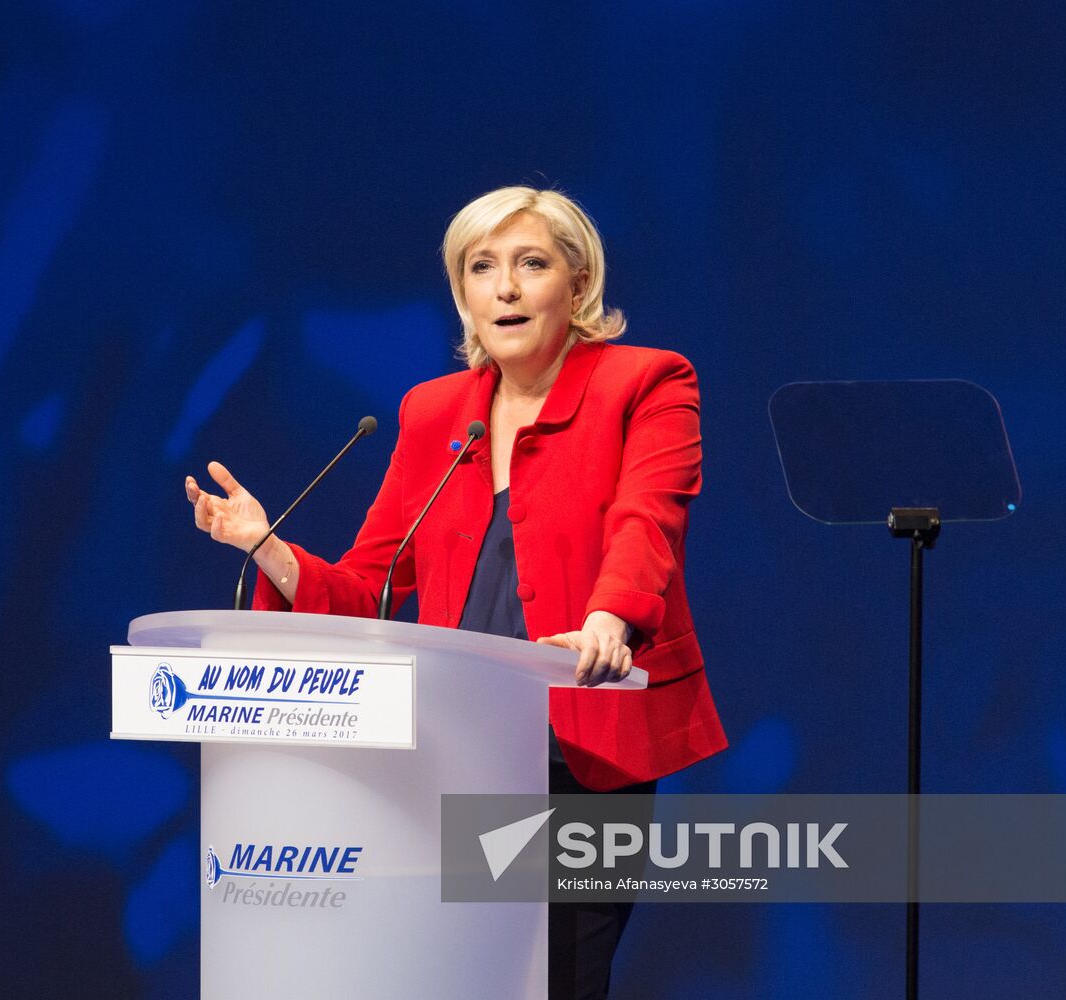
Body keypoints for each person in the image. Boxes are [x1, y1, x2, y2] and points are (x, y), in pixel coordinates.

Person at [185, 186, 727, 999]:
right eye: (482, 268)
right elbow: (372, 583)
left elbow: (647, 521)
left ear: (577, 285)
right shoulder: (434, 411)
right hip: (455, 748)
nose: (505, 288)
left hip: (584, 743)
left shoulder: (645, 383)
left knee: (560, 981)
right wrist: (266, 547)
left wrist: (607, 620)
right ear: (462, 295)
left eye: (531, 264)